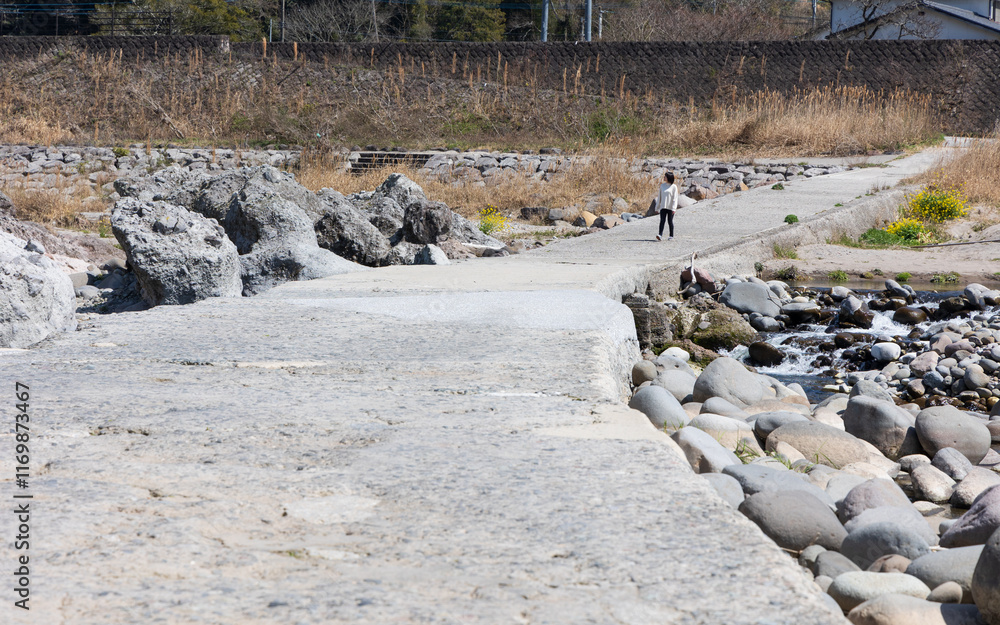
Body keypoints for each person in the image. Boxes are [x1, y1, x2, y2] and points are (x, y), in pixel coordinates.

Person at [655, 171, 678, 241]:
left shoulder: (674, 187)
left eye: (665, 176)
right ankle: (660, 235)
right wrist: (657, 207)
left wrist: (674, 208)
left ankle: (671, 235)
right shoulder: (662, 186)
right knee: (662, 221)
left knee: (670, 221)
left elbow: (675, 198)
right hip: (663, 206)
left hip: (670, 207)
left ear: (669, 178)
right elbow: (659, 197)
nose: (664, 177)